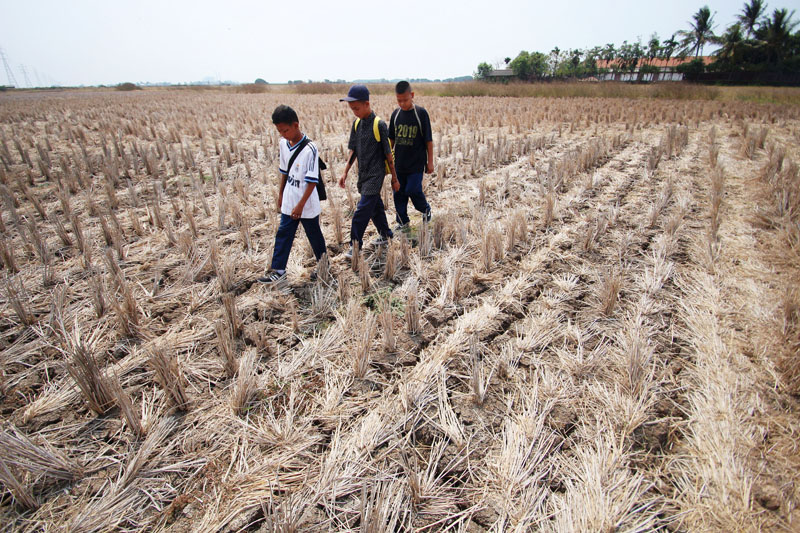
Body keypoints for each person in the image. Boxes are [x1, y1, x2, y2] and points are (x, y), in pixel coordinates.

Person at [258, 105, 327, 286]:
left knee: (314, 234)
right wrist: (281, 194)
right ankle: (278, 271)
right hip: (290, 199)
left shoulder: (310, 149)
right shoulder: (283, 144)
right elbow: (284, 172)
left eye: (285, 130)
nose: (282, 134)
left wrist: (300, 205)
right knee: (283, 234)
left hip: (306, 203)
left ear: (296, 125)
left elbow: (313, 181)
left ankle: (324, 265)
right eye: (279, 131)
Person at [338, 84, 400, 258]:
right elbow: (353, 151)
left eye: (356, 108)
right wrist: (345, 172)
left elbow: (389, 153)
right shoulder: (357, 124)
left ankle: (355, 246)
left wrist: (394, 178)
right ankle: (386, 234)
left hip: (376, 174)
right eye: (352, 109)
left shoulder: (379, 124)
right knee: (375, 208)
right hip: (363, 174)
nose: (354, 112)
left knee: (361, 212)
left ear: (366, 104)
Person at [388, 81, 433, 231]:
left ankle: (425, 209)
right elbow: (391, 140)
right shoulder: (395, 115)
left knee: (413, 190)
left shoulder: (420, 114)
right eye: (399, 100)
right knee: (398, 194)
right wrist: (387, 161)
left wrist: (430, 162)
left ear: (412, 96)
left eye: (405, 100)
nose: (402, 103)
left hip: (416, 164)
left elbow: (428, 141)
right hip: (399, 165)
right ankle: (402, 221)